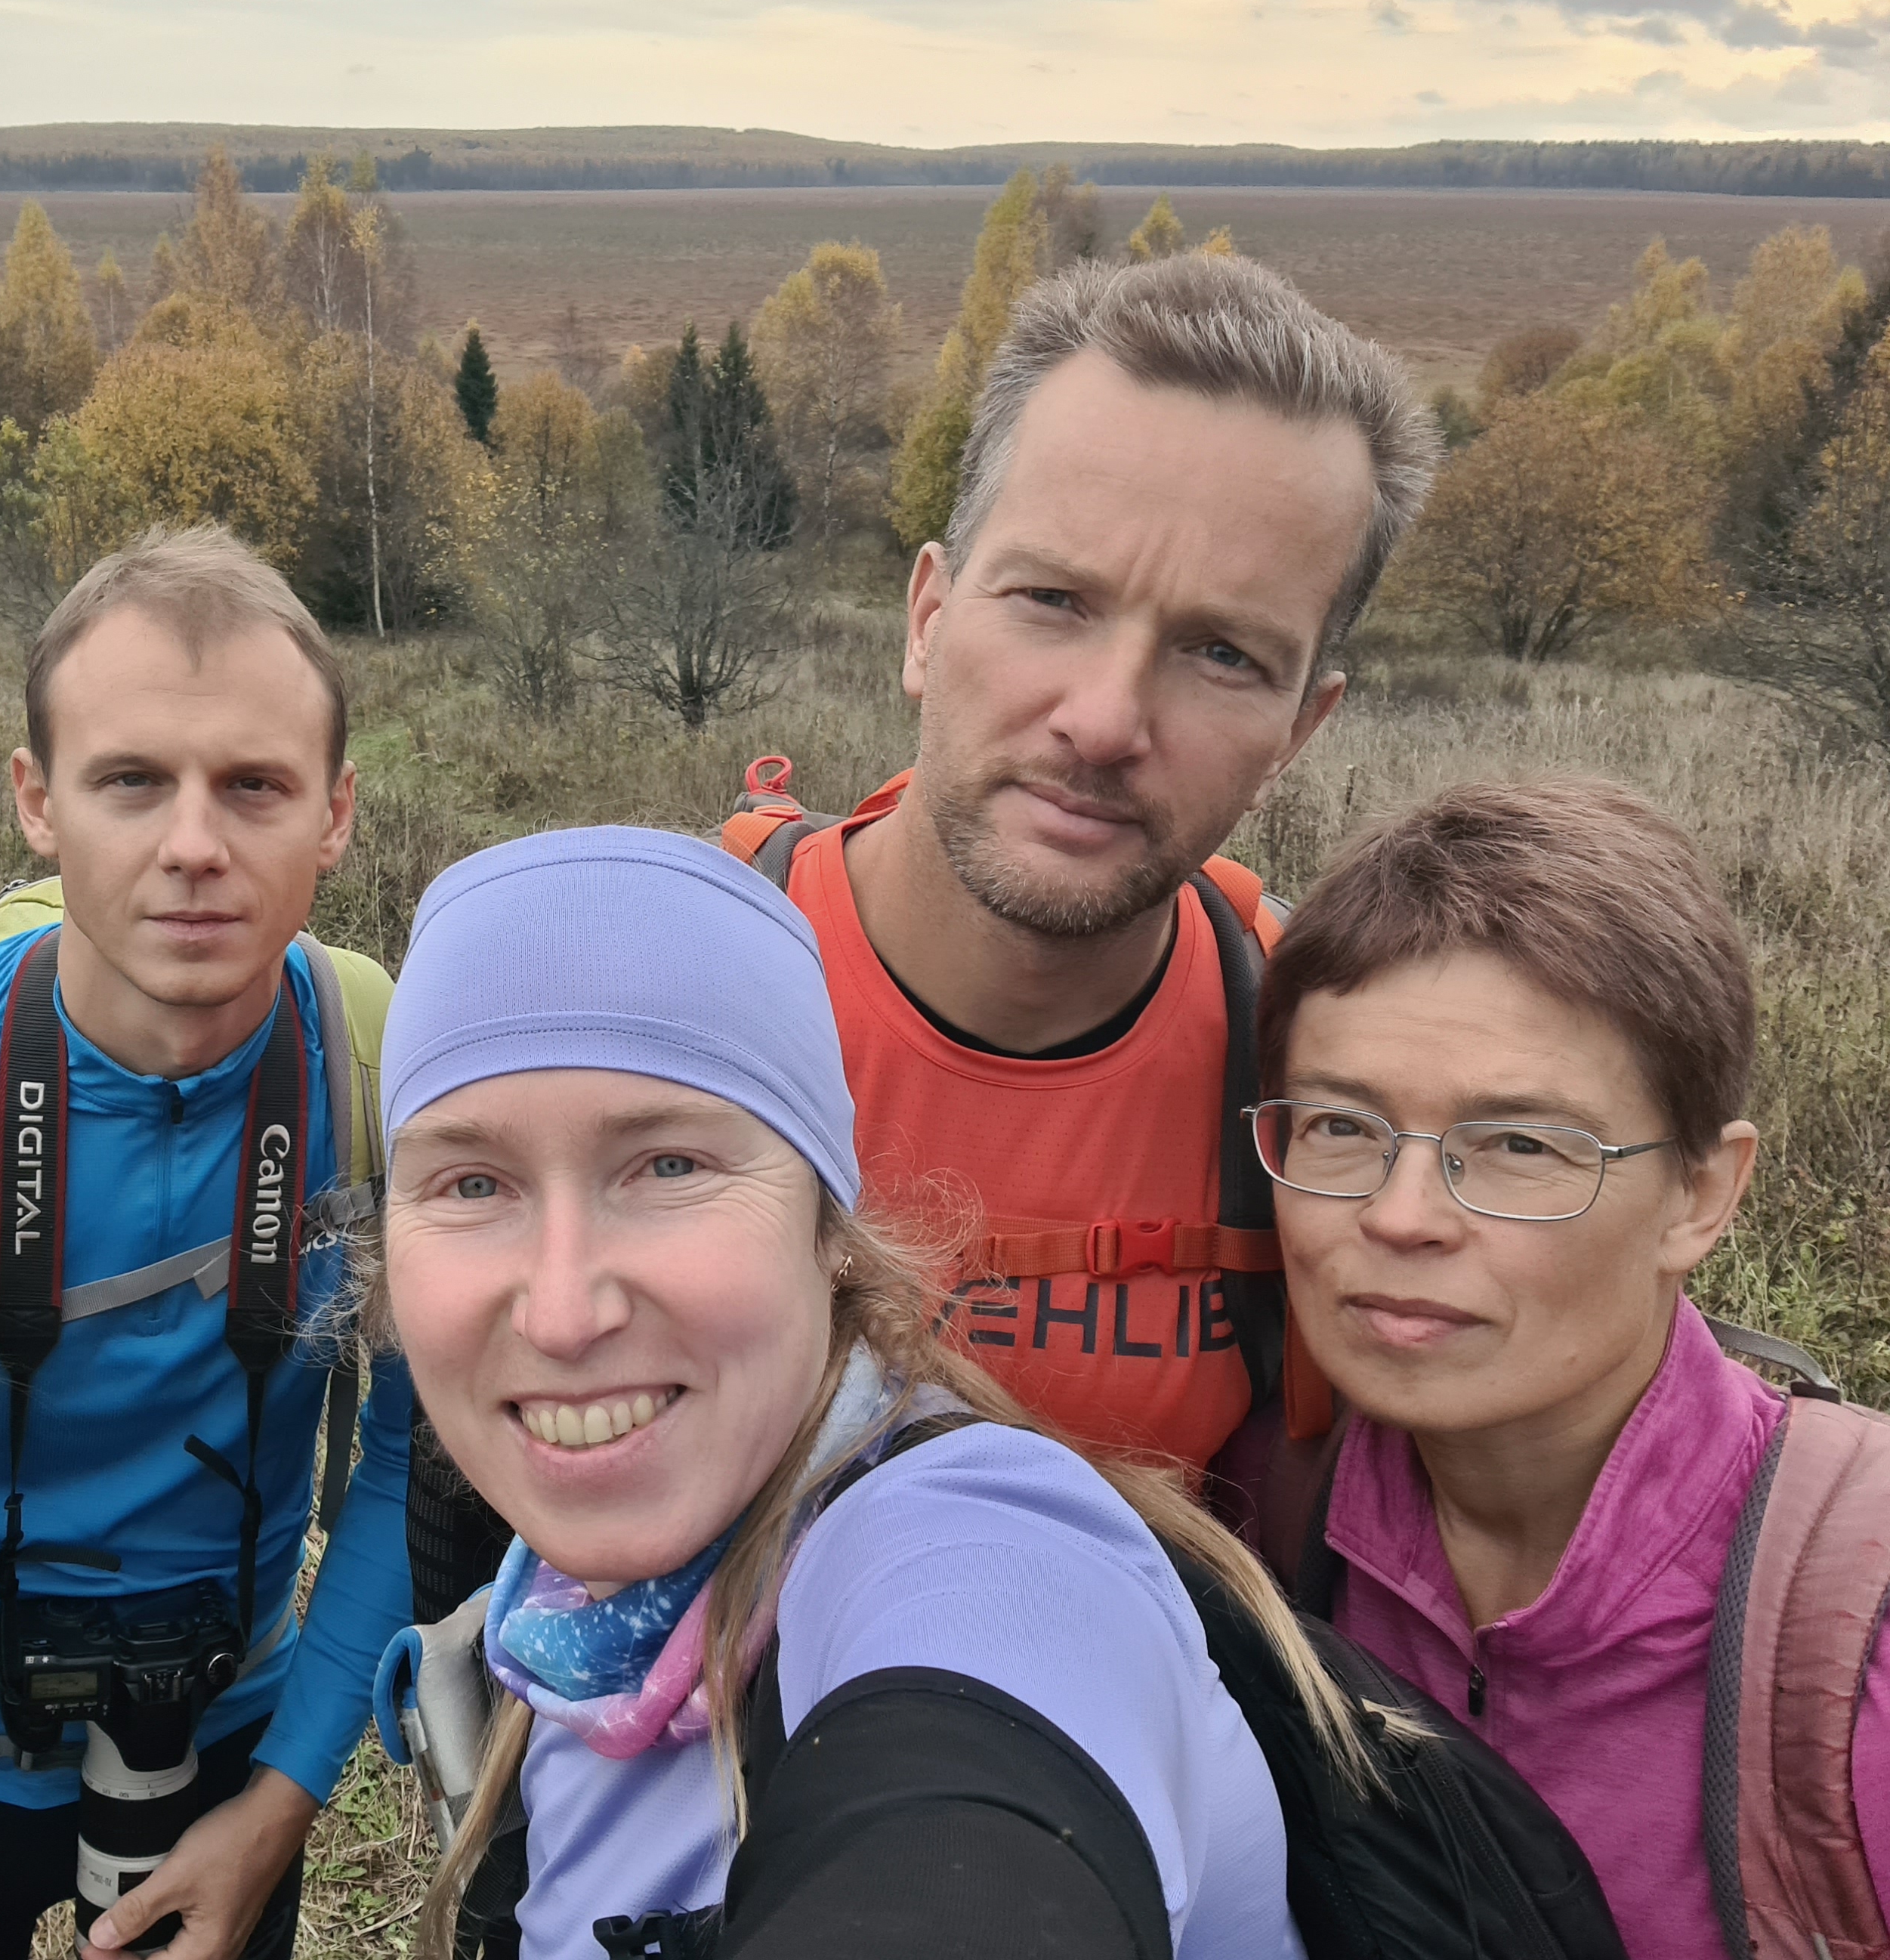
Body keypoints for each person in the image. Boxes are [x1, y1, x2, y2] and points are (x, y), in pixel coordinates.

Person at [364, 826, 1348, 1959]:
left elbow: (976, 1836)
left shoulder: (985, 1547)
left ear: (830, 1227)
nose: (561, 1313)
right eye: (471, 1184)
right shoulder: (590, 1619)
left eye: (670, 1166)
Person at [0, 526, 413, 1960]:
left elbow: (410, 1459)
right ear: (36, 801)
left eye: (254, 785)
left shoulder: (388, 1082)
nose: (193, 846)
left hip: (224, 1746)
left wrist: (283, 1801)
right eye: (130, 781)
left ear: (336, 813)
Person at [726, 250, 1441, 1476]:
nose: (1105, 722)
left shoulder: (1328, 1076)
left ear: (1297, 732)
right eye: (1053, 599)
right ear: (927, 619)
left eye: (1222, 654)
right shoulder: (669, 979)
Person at [1255, 776, 1888, 1958]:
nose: (1401, 1217)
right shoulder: (1263, 1524)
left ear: (1701, 1196)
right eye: (1341, 1126)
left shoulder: (1853, 1641)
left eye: (1518, 1145)